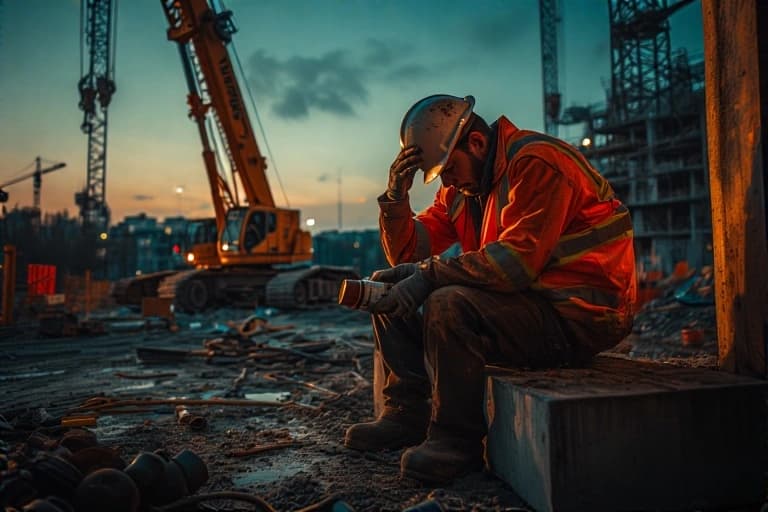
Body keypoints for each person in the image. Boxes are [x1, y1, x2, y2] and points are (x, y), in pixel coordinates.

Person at [343, 94, 637, 483]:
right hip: (527, 305)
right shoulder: (466, 190)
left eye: (447, 170)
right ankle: (405, 415)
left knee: (449, 304)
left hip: (579, 315)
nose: (445, 182)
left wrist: (429, 275)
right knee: (384, 287)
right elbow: (409, 253)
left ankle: (456, 443)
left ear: (477, 144)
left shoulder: (535, 162)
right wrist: (396, 200)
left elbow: (516, 264)